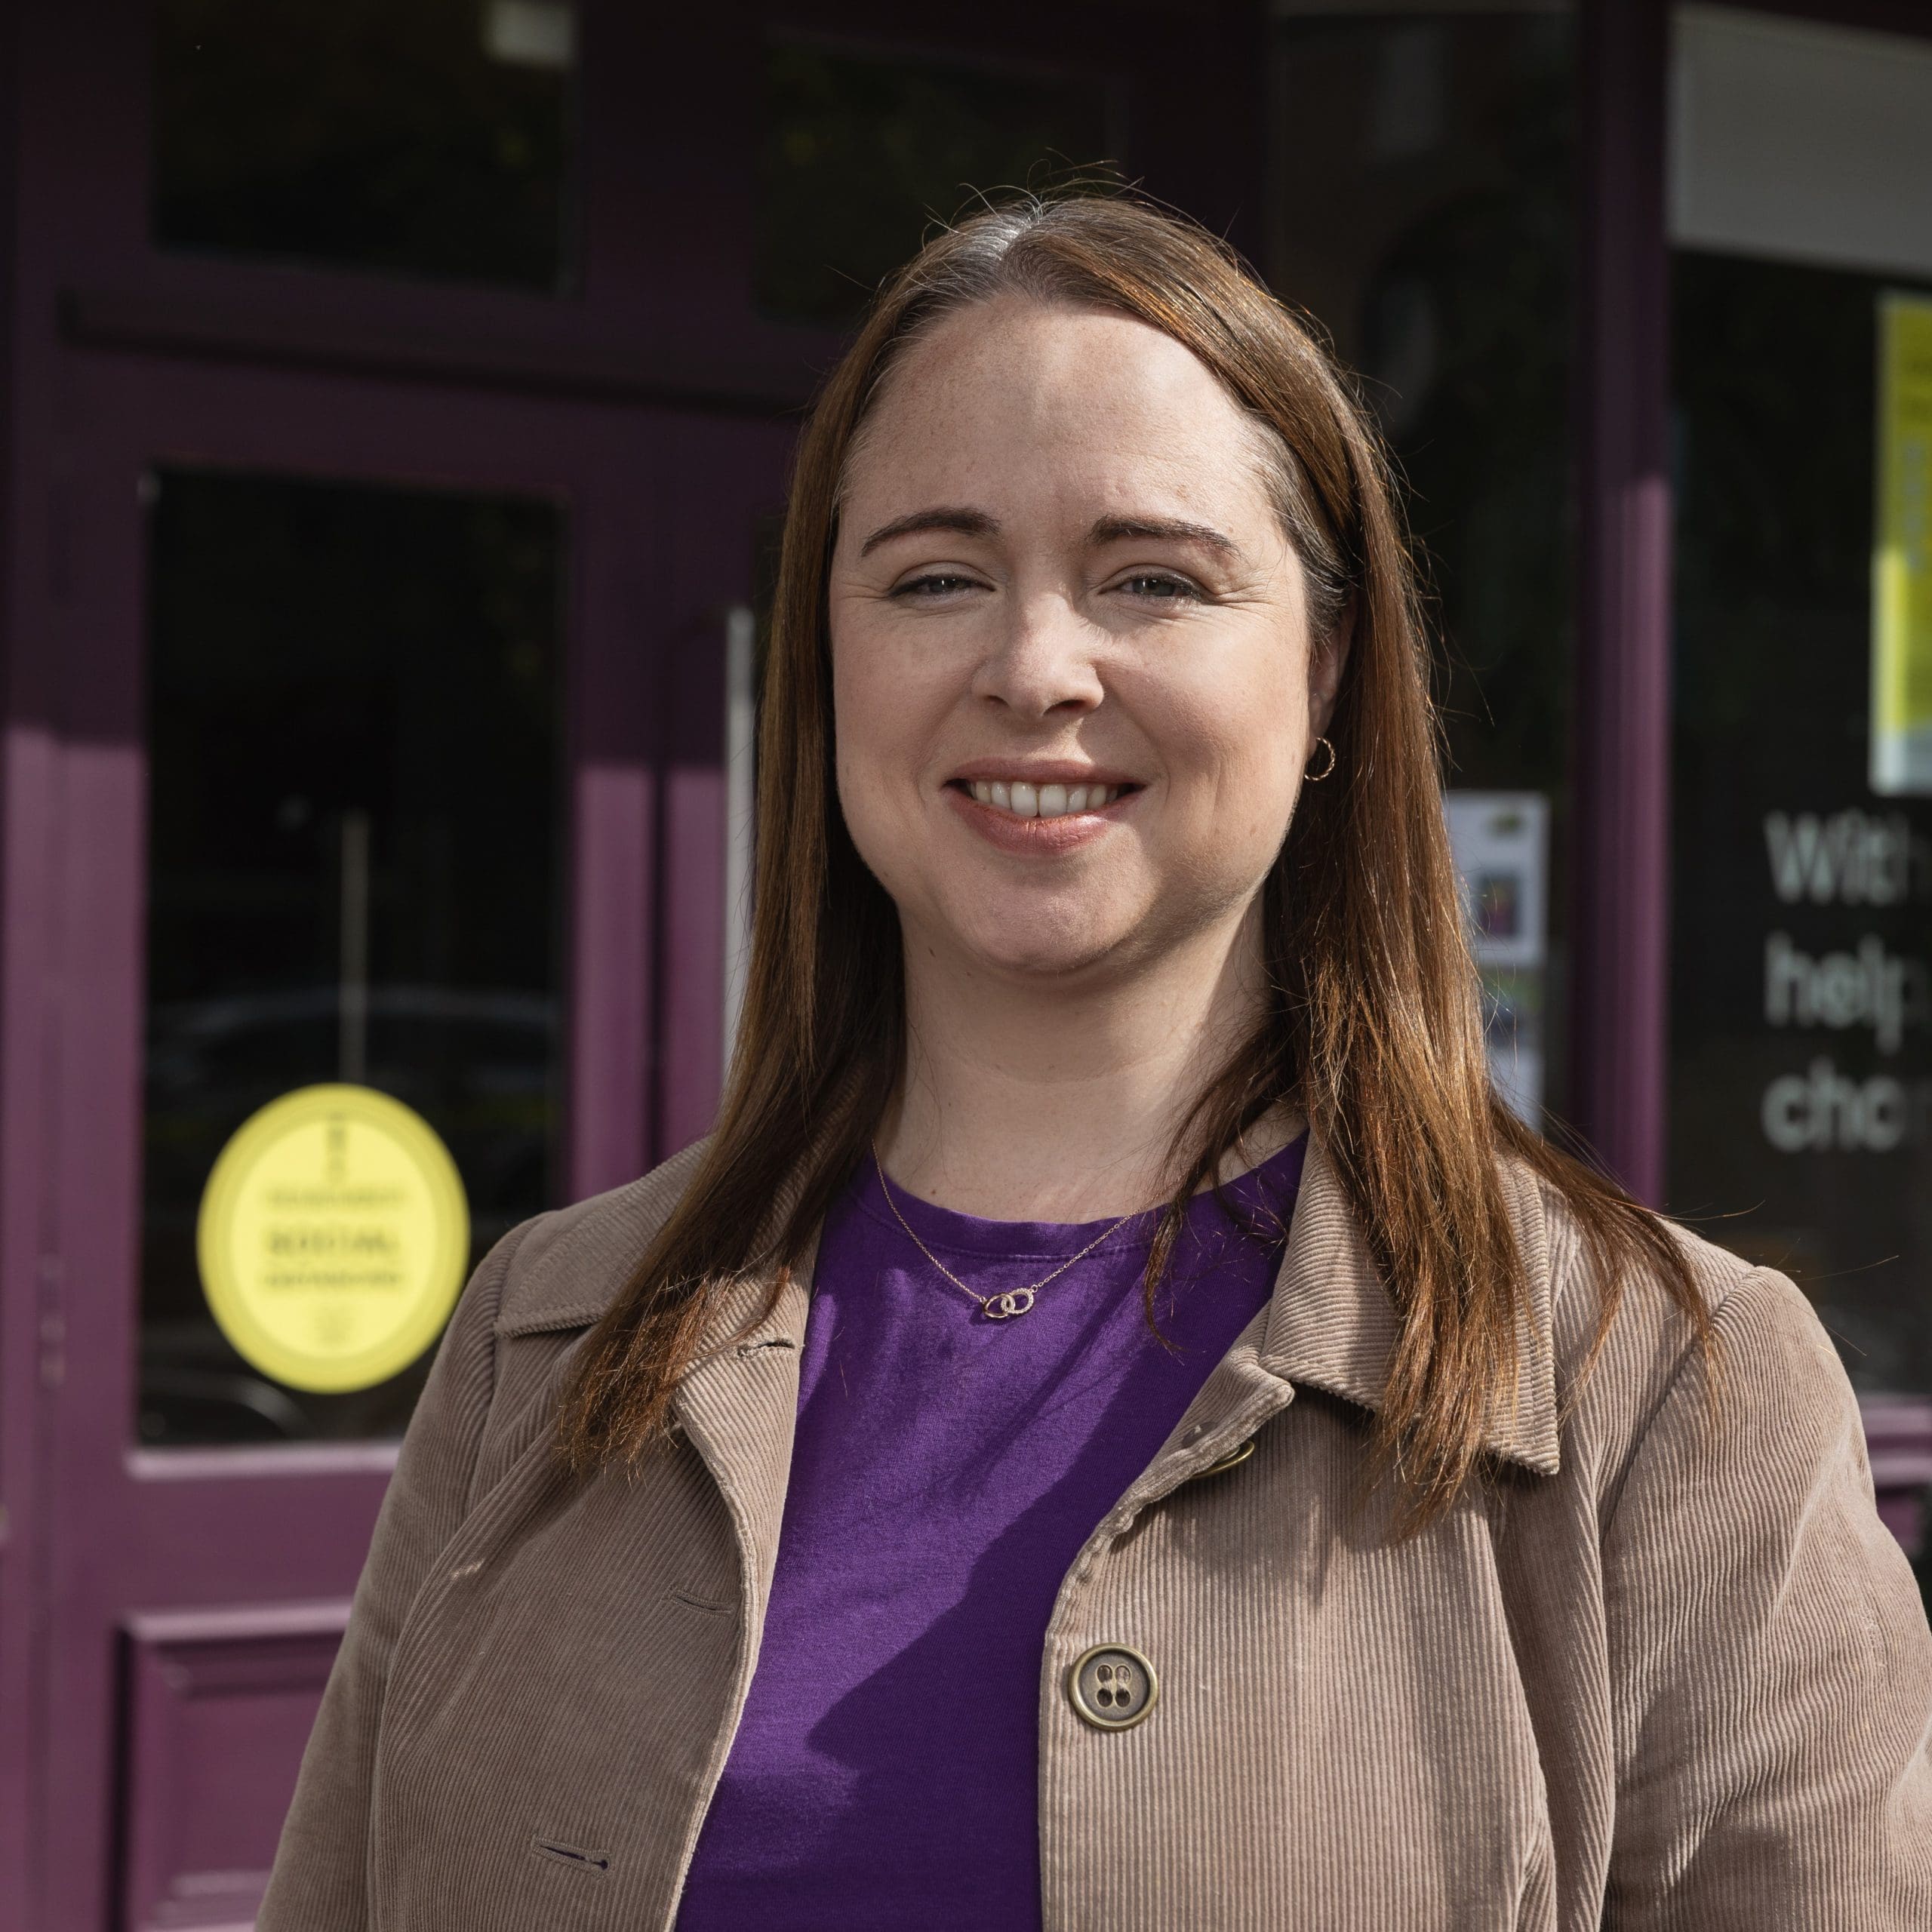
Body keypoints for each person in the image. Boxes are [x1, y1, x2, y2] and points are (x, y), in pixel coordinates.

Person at [259, 193, 1932, 1931]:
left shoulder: (1662, 1396)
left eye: (1151, 578)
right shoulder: (542, 1336)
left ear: (1327, 662)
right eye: (932, 576)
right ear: (827, 656)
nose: (1032, 666)